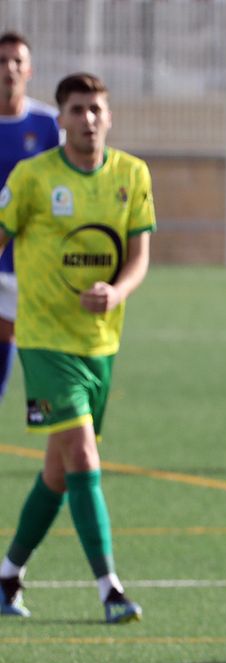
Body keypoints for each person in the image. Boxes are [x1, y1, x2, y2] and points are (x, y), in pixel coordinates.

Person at [0, 72, 154, 624]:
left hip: (100, 344)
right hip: (42, 341)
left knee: (60, 472)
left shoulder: (132, 175)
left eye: (96, 109)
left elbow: (138, 255)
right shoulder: (33, 178)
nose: (88, 119)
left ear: (108, 117)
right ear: (59, 119)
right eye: (77, 110)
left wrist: (118, 291)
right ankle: (109, 588)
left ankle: (8, 574)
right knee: (85, 456)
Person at [0, 32, 59, 405]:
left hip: (34, 258)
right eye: (2, 60)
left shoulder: (49, 123)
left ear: (29, 70)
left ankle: (56, 432)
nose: (9, 68)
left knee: (41, 348)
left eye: (17, 61)